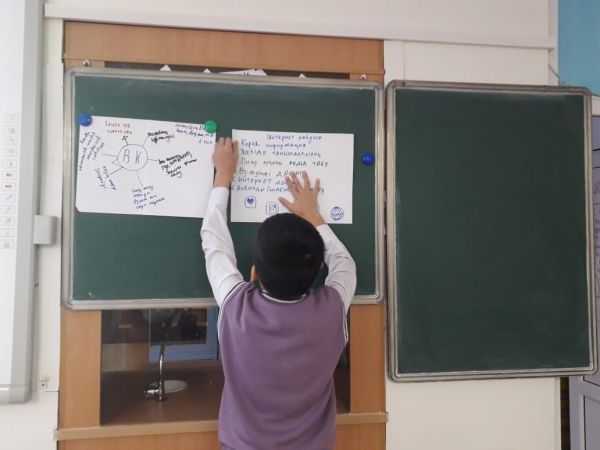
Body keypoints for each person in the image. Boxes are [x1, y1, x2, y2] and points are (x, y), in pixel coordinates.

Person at [201, 137, 356, 450]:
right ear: (319, 269)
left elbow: (214, 243)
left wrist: (223, 175)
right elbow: (344, 262)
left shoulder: (236, 308)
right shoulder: (331, 310)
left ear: (253, 273)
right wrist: (314, 216)